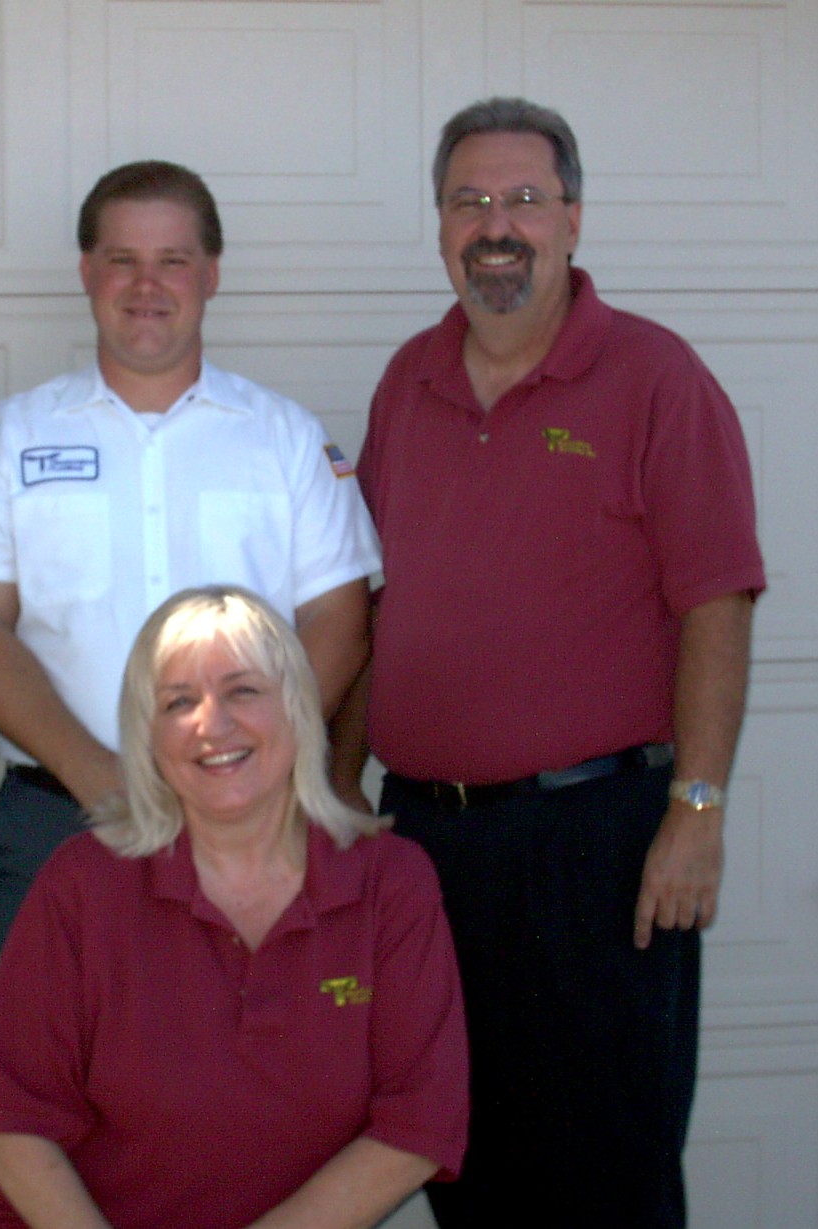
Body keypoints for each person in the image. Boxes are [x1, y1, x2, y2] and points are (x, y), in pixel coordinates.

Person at [340, 97, 766, 1228]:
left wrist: (696, 807)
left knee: (604, 1167)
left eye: (523, 198)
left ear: (572, 218)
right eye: (468, 200)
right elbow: (367, 608)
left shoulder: (650, 378)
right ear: (437, 226)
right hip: (425, 843)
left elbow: (716, 599)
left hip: (597, 846)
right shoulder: (407, 381)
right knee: (450, 1149)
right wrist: (335, 797)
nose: (496, 224)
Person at [0, 160, 381, 943]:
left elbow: (339, 619)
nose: (147, 285)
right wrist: (99, 777)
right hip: (62, 818)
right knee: (59, 1062)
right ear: (86, 272)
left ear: (210, 274)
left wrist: (240, 766)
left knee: (246, 1059)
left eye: (172, 260)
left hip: (253, 821)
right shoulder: (12, 438)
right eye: (121, 260)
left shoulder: (284, 438)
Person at [0, 585, 468, 1229]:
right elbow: (13, 1119)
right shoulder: (80, 886)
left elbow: (419, 1121)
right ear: (146, 735)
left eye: (243, 691)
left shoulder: (390, 884)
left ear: (298, 707)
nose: (213, 723)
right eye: (178, 702)